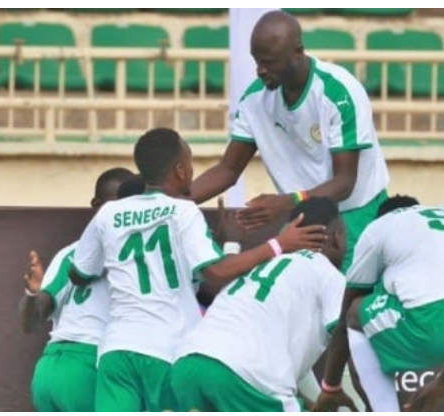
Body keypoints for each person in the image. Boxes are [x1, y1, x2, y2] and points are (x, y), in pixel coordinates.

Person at [68, 127, 327, 411]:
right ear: (180, 170)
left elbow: (79, 274)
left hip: (116, 351)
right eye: (191, 163)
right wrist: (279, 243)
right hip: (166, 349)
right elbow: (215, 273)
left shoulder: (108, 213)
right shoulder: (182, 211)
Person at [189, 10, 389, 275]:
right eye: (256, 60)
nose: (260, 70)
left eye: (269, 62)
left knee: (347, 309)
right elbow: (228, 169)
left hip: (356, 215)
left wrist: (286, 202)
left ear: (298, 52)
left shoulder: (339, 92)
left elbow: (344, 183)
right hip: (302, 218)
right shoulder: (253, 100)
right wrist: (168, 201)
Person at [315, 195, 444, 412]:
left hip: (433, 321)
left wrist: (330, 386)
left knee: (355, 312)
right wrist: (441, 384)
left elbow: (345, 319)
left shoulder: (379, 227)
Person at [171, 197, 355, 412]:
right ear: (337, 238)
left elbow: (285, 385)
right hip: (243, 376)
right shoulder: (330, 275)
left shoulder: (260, 266)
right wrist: (334, 389)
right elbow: (347, 336)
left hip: (187, 365)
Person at [18, 167, 136, 412]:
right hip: (88, 366)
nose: (123, 214)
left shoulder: (70, 252)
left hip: (49, 372)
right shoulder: (133, 251)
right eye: (116, 206)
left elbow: (32, 321)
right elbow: (32, 318)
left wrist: (34, 295)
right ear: (96, 205)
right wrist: (32, 294)